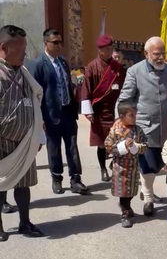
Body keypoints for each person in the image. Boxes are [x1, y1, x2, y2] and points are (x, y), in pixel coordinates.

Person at [116, 36, 167, 216]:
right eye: (156, 54)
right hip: (143, 128)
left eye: (163, 53)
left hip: (166, 127)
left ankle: (146, 189)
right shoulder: (134, 71)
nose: (161, 57)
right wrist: (123, 121)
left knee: (159, 163)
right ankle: (148, 198)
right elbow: (125, 99)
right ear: (146, 54)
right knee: (148, 163)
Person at [30, 28, 89, 195]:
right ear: (45, 44)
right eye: (55, 43)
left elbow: (67, 84)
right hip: (50, 115)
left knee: (72, 146)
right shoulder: (39, 64)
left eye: (60, 42)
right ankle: (57, 178)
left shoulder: (63, 62)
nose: (59, 45)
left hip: (68, 112)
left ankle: (75, 179)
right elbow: (36, 93)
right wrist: (39, 116)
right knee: (54, 148)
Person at [0, 25, 45, 241]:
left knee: (23, 184)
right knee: (0, 184)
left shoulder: (25, 73)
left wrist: (38, 133)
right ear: (4, 49)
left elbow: (36, 101)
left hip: (25, 140)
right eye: (20, 50)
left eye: (25, 48)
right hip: (2, 141)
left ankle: (24, 222)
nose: (25, 53)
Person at [81, 35, 126, 181]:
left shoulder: (118, 68)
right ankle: (102, 169)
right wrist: (88, 111)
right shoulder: (92, 67)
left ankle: (115, 164)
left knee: (119, 141)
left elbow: (126, 86)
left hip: (116, 110)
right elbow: (86, 89)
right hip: (99, 111)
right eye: (107, 48)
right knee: (101, 143)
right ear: (100, 50)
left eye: (111, 48)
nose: (109, 51)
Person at [104, 101, 148, 228]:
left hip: (133, 167)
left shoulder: (138, 130)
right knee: (123, 191)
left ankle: (126, 205)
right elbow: (107, 146)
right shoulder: (116, 130)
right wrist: (122, 146)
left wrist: (135, 147)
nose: (135, 118)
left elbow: (146, 145)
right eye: (131, 115)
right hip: (120, 167)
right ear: (122, 117)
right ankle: (125, 212)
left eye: (135, 115)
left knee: (131, 191)